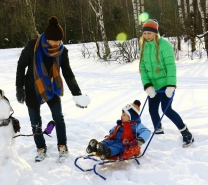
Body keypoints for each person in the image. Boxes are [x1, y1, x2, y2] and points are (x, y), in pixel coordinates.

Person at [15, 16, 90, 162]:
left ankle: (62, 146)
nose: (57, 43)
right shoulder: (33, 46)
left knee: (58, 118)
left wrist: (77, 93)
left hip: (51, 87)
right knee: (35, 121)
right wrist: (19, 87)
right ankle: (41, 148)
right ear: (47, 38)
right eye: (54, 41)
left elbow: (67, 73)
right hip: (32, 87)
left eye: (59, 41)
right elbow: (21, 65)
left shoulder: (62, 51)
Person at [139, 19, 194, 147]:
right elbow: (142, 68)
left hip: (165, 83)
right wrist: (147, 86)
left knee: (166, 109)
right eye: (145, 33)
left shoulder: (164, 45)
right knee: (152, 109)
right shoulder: (143, 46)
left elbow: (170, 66)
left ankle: (186, 133)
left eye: (150, 33)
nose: (147, 36)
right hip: (153, 85)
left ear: (155, 33)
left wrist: (171, 85)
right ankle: (158, 132)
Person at [86, 100, 151, 160]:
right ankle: (96, 147)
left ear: (131, 117)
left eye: (124, 115)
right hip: (116, 139)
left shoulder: (136, 125)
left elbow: (147, 131)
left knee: (117, 147)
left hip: (125, 143)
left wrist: (141, 139)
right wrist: (112, 132)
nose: (121, 116)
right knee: (108, 142)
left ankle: (108, 152)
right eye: (122, 114)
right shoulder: (121, 123)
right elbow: (115, 128)